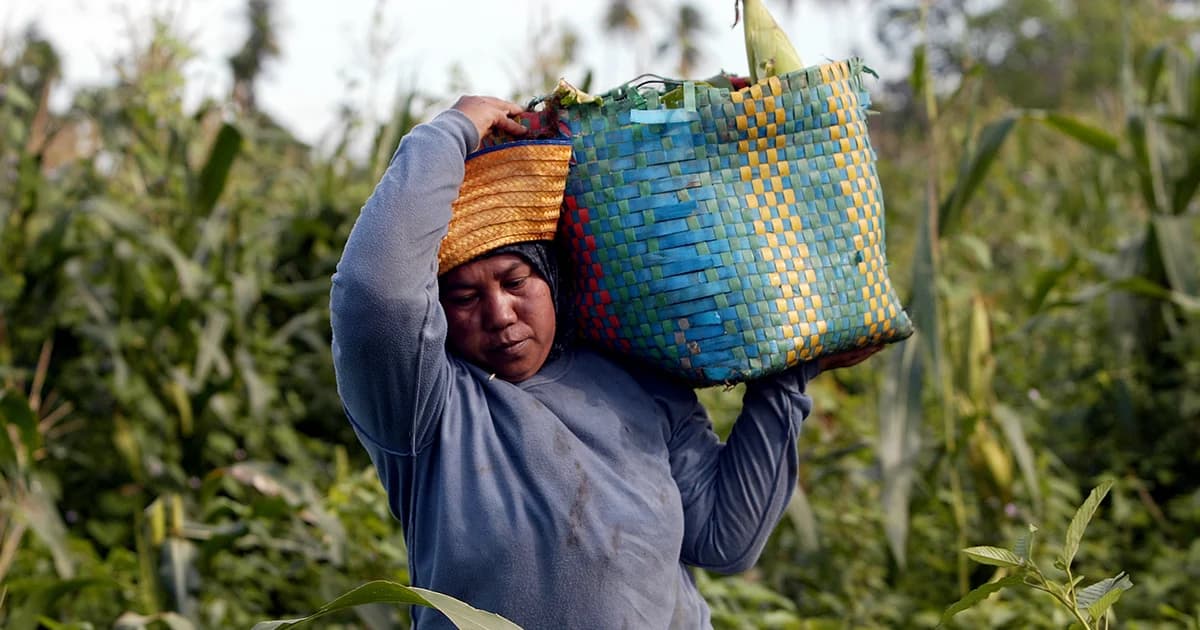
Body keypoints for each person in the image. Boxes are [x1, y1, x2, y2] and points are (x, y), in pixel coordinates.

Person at [330, 95, 880, 629]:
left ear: (551, 281)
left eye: (516, 281)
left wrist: (787, 378)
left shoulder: (633, 379)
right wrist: (450, 130)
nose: (499, 314)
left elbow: (723, 538)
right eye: (466, 298)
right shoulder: (427, 409)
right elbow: (374, 292)